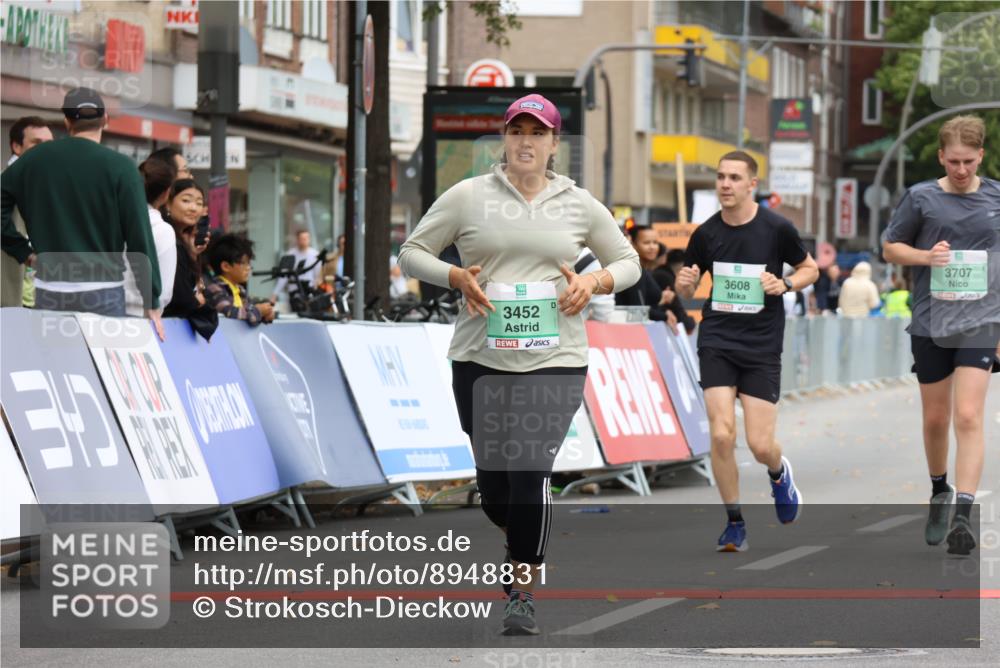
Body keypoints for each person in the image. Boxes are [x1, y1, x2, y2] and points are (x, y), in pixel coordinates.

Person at [399, 93, 640, 635]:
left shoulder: (579, 203)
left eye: (538, 132)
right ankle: (522, 534)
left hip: (556, 357)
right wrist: (456, 277)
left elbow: (627, 262)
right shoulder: (466, 197)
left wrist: (593, 281)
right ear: (504, 139)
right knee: (498, 488)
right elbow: (412, 252)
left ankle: (521, 590)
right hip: (480, 356)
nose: (526, 141)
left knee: (530, 469)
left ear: (555, 144)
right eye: (517, 131)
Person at [675, 150, 818, 553]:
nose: (725, 184)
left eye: (735, 178)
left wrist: (786, 285)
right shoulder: (705, 233)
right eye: (721, 177)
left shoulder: (776, 228)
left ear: (752, 184)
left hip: (760, 344)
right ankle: (734, 521)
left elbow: (811, 269)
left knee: (759, 445)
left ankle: (778, 472)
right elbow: (687, 286)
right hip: (718, 339)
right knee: (721, 434)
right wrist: (684, 282)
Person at [882, 114, 1000, 555]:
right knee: (936, 419)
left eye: (969, 161)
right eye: (953, 161)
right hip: (932, 321)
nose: (962, 169)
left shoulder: (996, 198)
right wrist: (925, 257)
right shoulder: (921, 197)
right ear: (940, 157)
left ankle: (964, 517)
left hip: (982, 320)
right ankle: (939, 490)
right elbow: (890, 247)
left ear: (981, 156)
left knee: (968, 415)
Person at [1, 88, 163, 336]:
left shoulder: (31, 161)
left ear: (67, 121)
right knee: (102, 368)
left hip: (51, 287)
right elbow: (140, 236)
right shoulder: (122, 168)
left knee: (58, 368)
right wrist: (151, 299)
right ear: (106, 119)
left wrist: (24, 252)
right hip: (104, 289)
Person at [2, 116, 53, 307]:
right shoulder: (6, 185)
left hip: (37, 303)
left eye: (49, 144)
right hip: (8, 304)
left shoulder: (45, 187)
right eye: (37, 143)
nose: (45, 150)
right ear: (16, 146)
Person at [161, 179, 218, 338]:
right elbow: (180, 298)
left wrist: (192, 254)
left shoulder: (185, 243)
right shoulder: (165, 237)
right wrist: (197, 302)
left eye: (199, 203)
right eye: (186, 200)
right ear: (167, 203)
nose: (193, 208)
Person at [124, 157, 178, 316]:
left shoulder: (115, 221)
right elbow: (164, 293)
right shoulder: (163, 230)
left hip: (101, 318)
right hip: (142, 319)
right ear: (167, 193)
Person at [616, 225, 683, 333]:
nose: (652, 247)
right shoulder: (633, 270)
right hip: (626, 334)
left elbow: (643, 305)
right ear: (633, 244)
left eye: (655, 243)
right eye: (646, 243)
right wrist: (664, 315)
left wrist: (661, 303)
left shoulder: (643, 270)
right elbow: (636, 311)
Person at [205, 234, 274, 325]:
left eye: (249, 263)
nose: (248, 268)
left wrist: (266, 315)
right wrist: (258, 311)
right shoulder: (214, 289)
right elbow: (229, 313)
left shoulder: (239, 290)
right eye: (244, 263)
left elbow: (248, 315)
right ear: (226, 266)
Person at [272, 229, 321, 303]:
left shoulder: (315, 255)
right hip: (294, 292)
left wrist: (315, 290)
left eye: (306, 238)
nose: (304, 241)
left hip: (309, 291)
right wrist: (275, 294)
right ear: (297, 240)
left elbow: (317, 276)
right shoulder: (290, 254)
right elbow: (284, 276)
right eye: (302, 239)